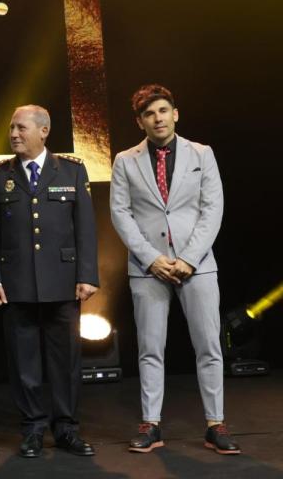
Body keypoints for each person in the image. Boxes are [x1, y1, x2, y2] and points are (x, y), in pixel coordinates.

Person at [109, 84, 238, 455]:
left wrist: (189, 259)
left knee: (209, 346)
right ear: (140, 121)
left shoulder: (202, 153)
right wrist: (151, 258)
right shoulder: (125, 160)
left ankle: (215, 424)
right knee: (150, 348)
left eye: (163, 110)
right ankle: (152, 424)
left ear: (175, 113)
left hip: (196, 265)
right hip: (148, 267)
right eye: (149, 114)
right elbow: (120, 213)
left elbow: (212, 208)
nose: (158, 118)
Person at [0, 104, 98, 458]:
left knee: (66, 363)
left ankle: (66, 429)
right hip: (16, 285)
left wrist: (87, 275)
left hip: (63, 282)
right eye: (12, 128)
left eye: (21, 128)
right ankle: (32, 429)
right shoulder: (0, 175)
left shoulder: (72, 171)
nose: (14, 134)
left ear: (43, 131)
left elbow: (86, 228)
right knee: (24, 362)